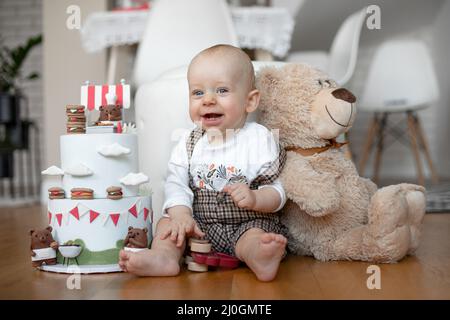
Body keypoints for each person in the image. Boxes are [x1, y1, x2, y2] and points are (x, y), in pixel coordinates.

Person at [119, 44, 287, 281]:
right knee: (167, 226)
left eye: (221, 90)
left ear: (250, 101)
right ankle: (164, 257)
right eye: (198, 93)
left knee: (255, 237)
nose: (207, 100)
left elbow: (278, 190)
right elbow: (176, 184)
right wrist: (180, 215)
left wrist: (256, 198)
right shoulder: (189, 143)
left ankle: (259, 256)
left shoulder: (259, 139)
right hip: (198, 227)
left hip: (247, 221)